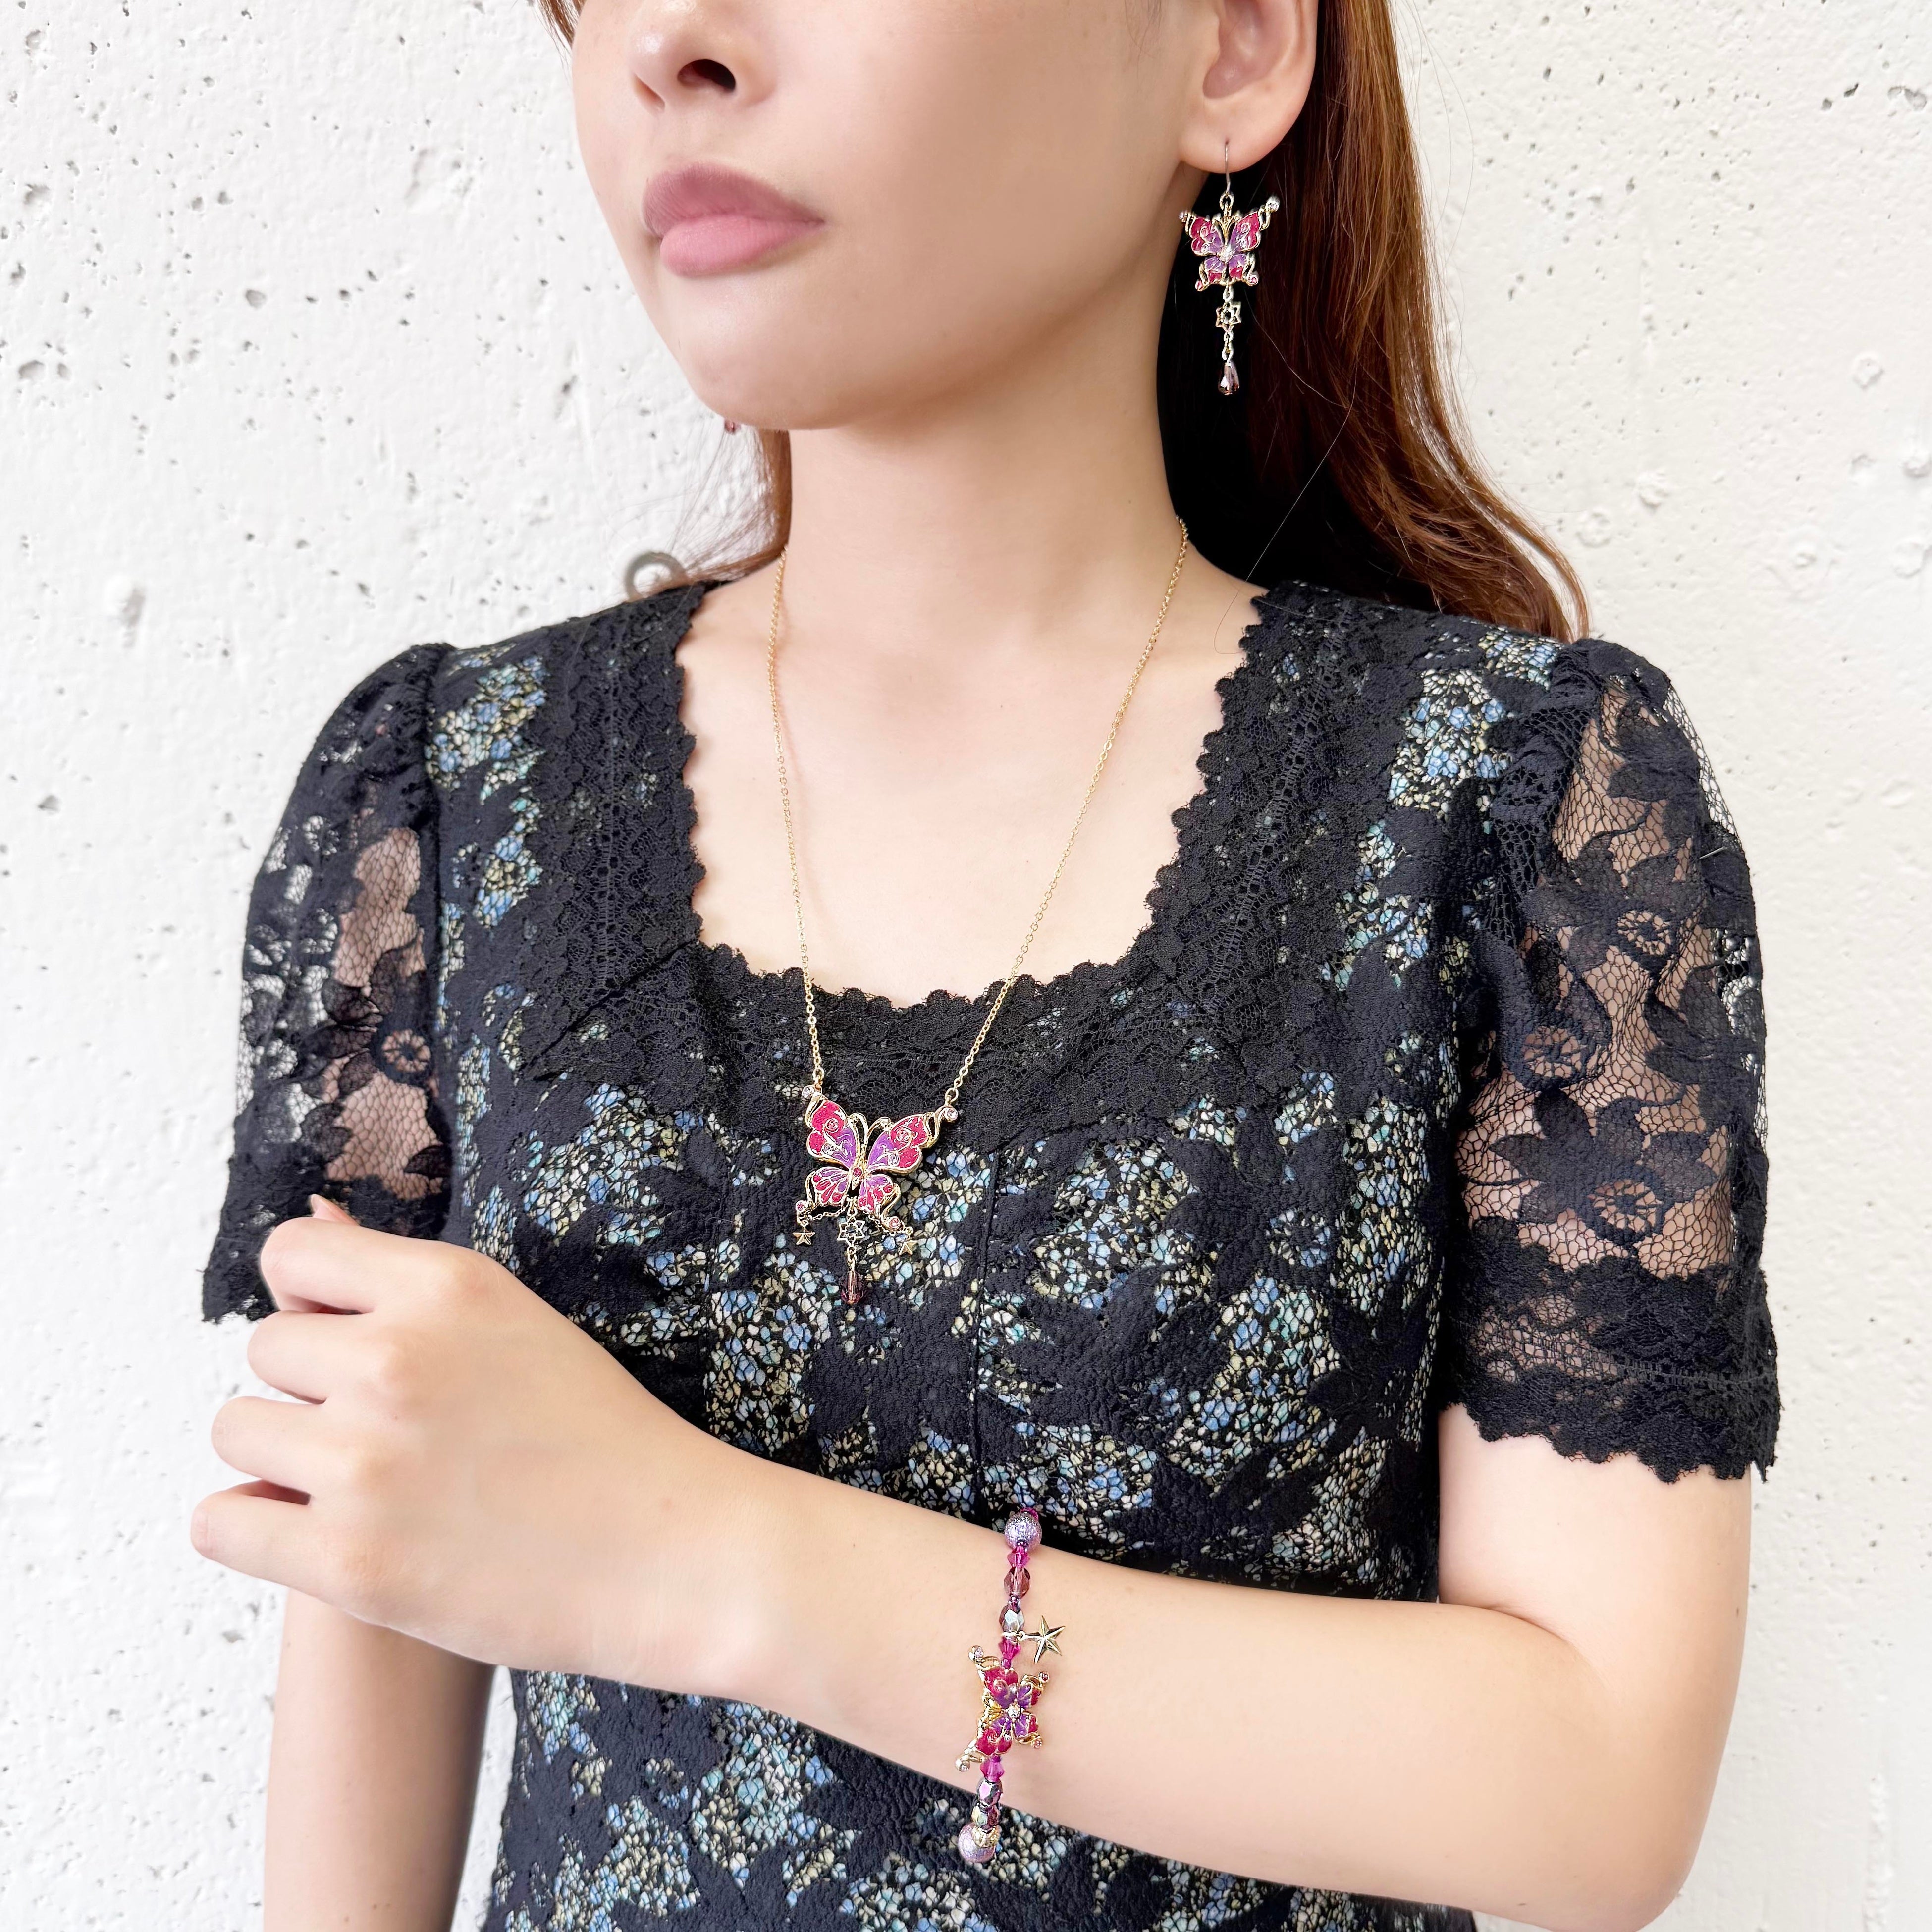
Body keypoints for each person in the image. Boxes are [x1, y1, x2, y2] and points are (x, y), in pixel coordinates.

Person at [192, 3, 1780, 1929]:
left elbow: (1595, 1783)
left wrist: (714, 1559)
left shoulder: (1508, 808)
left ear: (1229, 51)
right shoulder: (455, 799)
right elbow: (372, 1576)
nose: (669, 42)